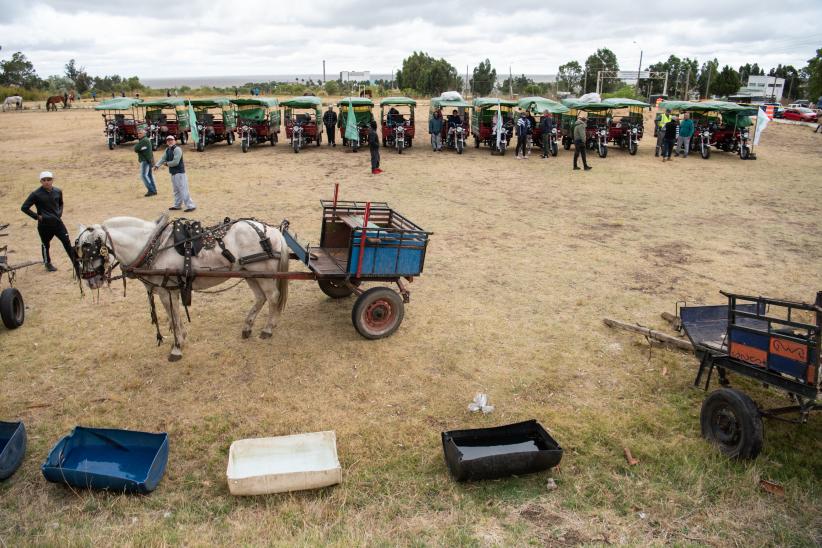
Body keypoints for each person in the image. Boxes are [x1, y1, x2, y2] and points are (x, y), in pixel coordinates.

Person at [21, 171, 76, 272]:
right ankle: (47, 263)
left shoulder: (58, 191)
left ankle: (76, 265)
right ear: (41, 181)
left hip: (58, 224)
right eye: (44, 180)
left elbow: (61, 203)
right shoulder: (35, 194)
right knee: (45, 244)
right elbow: (24, 207)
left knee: (67, 243)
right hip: (44, 226)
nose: (47, 182)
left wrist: (59, 214)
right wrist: (37, 217)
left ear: (52, 180)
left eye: (49, 179)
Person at [154, 135, 196, 212]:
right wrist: (157, 165)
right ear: (166, 142)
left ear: (175, 141)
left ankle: (191, 206)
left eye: (171, 140)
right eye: (168, 140)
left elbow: (176, 162)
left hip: (179, 173)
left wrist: (167, 164)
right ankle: (177, 205)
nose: (170, 141)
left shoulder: (177, 149)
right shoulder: (168, 149)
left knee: (183, 190)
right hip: (173, 173)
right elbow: (163, 158)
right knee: (176, 190)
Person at [134, 128, 157, 197]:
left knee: (143, 176)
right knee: (149, 176)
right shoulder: (145, 140)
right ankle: (153, 190)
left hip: (145, 161)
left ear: (144, 134)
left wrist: (139, 149)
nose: (139, 135)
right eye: (138, 133)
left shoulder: (144, 140)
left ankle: (151, 190)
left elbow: (136, 148)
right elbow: (138, 148)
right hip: (148, 160)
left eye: (140, 133)